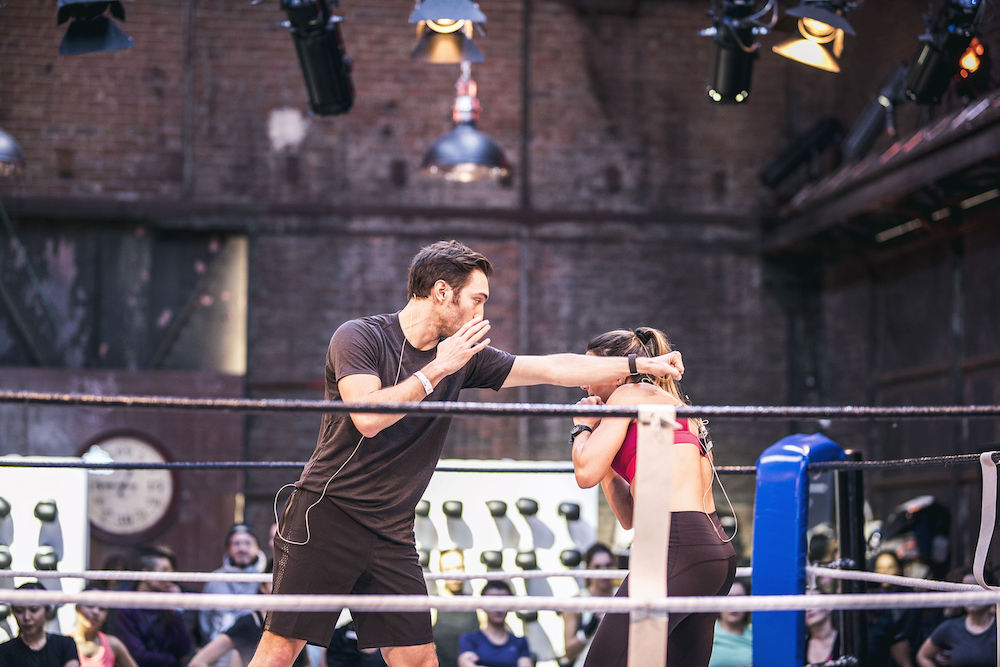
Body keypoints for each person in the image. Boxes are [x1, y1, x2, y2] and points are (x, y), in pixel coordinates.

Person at [251, 240, 685, 667]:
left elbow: (552, 367)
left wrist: (639, 366)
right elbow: (368, 417)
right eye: (476, 300)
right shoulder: (360, 336)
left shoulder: (466, 357)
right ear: (442, 292)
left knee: (419, 659)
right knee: (280, 651)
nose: (481, 314)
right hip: (328, 515)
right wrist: (439, 367)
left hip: (391, 529)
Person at [568, 326, 736, 667]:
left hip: (678, 546)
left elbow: (584, 474)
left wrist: (582, 426)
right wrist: (604, 445)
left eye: (590, 370)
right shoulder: (673, 405)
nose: (583, 383)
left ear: (619, 372)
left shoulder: (627, 396)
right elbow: (629, 517)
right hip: (715, 553)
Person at [190, 561, 308, 667]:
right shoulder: (249, 622)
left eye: (289, 581)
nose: (284, 586)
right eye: (277, 580)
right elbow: (197, 662)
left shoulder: (297, 623)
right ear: (263, 586)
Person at [109, 547, 193, 667]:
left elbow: (184, 650)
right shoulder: (126, 607)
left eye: (171, 571)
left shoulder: (167, 606)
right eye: (164, 570)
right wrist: (173, 660)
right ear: (145, 574)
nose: (170, 577)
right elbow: (138, 655)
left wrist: (176, 609)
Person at [199, 523, 268, 662]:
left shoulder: (266, 580)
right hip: (217, 656)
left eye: (247, 543)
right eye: (236, 544)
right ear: (228, 549)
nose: (242, 548)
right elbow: (204, 621)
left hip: (255, 655)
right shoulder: (215, 579)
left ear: (257, 547)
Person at [916, 570, 996, 667]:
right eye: (965, 589)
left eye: (976, 588)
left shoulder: (997, 628)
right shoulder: (950, 627)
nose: (970, 595)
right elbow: (923, 656)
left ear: (991, 592)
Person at [0, 581, 79, 667]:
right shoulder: (4, 651)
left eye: (34, 610)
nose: (27, 617)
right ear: (13, 611)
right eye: (19, 611)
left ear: (47, 610)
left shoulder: (65, 644)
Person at [561, 542, 614, 667]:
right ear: (588, 569)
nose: (604, 572)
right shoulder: (577, 602)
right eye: (597, 567)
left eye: (608, 565)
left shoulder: (624, 597)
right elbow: (569, 653)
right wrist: (587, 631)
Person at [456, 581, 531, 667]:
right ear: (482, 605)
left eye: (503, 603)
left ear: (510, 606)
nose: (498, 609)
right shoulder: (470, 639)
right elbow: (465, 664)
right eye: (493, 603)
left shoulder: (520, 642)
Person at [432, 550, 479, 667]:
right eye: (448, 569)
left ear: (464, 569)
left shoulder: (476, 605)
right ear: (441, 572)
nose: (454, 574)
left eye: (458, 568)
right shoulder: (433, 606)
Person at [70, 588, 139, 667]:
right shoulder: (64, 643)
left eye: (102, 609)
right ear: (77, 608)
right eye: (90, 606)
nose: (96, 612)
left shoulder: (113, 644)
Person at [708, 581, 752, 667]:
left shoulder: (756, 636)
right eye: (728, 597)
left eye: (739, 598)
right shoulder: (706, 633)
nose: (733, 604)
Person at [805, 587, 839, 666]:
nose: (808, 609)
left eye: (813, 601)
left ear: (829, 606)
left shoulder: (845, 642)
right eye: (804, 604)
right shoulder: (800, 647)